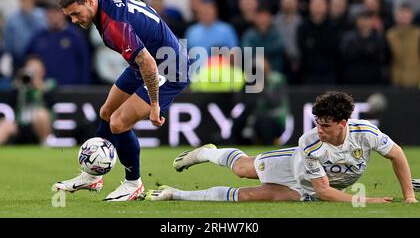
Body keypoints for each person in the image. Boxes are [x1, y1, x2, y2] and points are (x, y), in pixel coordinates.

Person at [145, 91, 418, 203]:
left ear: (343, 123)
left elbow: (397, 156)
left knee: (250, 197)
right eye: (317, 123)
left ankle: (175, 194)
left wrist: (409, 197)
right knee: (242, 169)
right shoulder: (310, 143)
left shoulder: (366, 134)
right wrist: (366, 201)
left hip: (308, 188)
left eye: (326, 125)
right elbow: (324, 190)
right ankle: (205, 152)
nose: (319, 130)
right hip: (293, 167)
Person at [54, 0, 190, 202]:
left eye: (76, 13)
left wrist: (155, 105)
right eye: (70, 16)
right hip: (147, 61)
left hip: (169, 68)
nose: (74, 20)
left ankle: (133, 184)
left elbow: (148, 64)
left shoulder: (115, 27)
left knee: (118, 122)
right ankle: (92, 176)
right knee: (107, 112)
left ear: (90, 1)